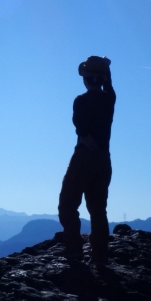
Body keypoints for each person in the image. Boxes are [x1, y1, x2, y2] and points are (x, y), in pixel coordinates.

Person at [58, 55, 115, 264]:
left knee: (67, 204)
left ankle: (74, 249)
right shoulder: (109, 100)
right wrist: (106, 71)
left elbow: (80, 128)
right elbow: (109, 87)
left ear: (86, 79)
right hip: (104, 159)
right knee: (98, 209)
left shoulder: (81, 101)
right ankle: (100, 254)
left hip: (84, 157)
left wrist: (84, 137)